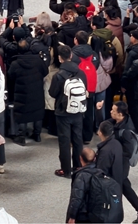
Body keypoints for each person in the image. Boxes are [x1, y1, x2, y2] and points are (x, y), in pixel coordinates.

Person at [50, 44, 87, 178]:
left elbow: (53, 93)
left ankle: (65, 170)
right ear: (71, 56)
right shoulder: (81, 72)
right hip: (78, 110)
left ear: (60, 58)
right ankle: (78, 165)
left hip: (63, 111)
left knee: (64, 140)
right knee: (78, 138)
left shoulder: (58, 76)